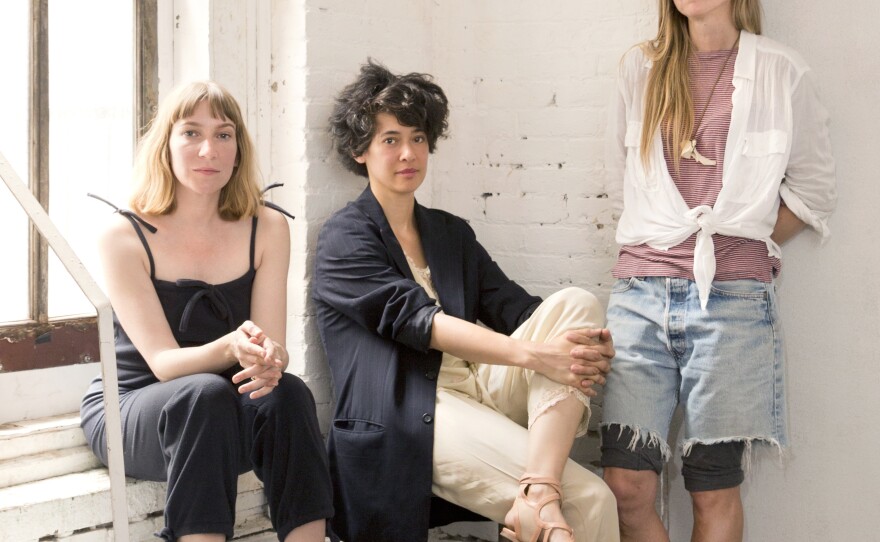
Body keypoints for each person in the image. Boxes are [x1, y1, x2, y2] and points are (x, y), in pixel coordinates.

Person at [313, 59, 619, 542]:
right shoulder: (344, 237)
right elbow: (419, 322)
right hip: (412, 410)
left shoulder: (449, 233)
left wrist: (588, 347)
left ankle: (538, 491)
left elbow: (519, 312)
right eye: (390, 140)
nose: (407, 153)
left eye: (417, 138)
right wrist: (537, 355)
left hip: (482, 391)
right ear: (360, 151)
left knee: (577, 305)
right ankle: (544, 496)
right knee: (592, 499)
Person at [600, 1, 837, 541]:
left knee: (712, 485)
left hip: (732, 300)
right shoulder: (640, 69)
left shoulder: (781, 70)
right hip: (639, 295)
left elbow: (815, 191)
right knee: (624, 483)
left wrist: (738, 240)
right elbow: (624, 180)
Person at [80, 81, 333, 542]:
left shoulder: (267, 226)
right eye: (191, 133)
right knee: (202, 395)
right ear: (166, 145)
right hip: (135, 411)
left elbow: (274, 349)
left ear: (238, 148)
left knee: (289, 394)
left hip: (222, 414)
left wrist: (269, 356)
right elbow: (163, 364)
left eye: (223, 134)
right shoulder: (123, 235)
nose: (208, 150)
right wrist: (231, 345)